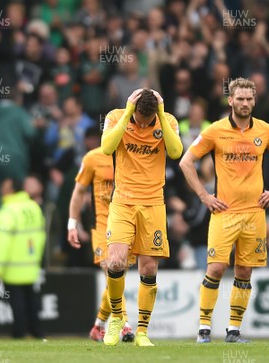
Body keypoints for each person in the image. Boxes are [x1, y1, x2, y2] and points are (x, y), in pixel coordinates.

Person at [179, 78, 269, 343]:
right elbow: (186, 162)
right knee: (216, 268)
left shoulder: (265, 131)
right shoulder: (215, 131)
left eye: (249, 99)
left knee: (244, 271)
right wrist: (205, 196)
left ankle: (233, 330)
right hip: (224, 212)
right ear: (230, 100)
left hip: (254, 213)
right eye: (239, 98)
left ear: (255, 100)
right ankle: (204, 327)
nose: (244, 103)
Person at [100, 88, 183, 347]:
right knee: (115, 261)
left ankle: (143, 332)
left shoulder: (167, 120)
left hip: (153, 203)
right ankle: (116, 317)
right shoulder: (116, 117)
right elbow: (106, 148)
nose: (144, 125)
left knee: (149, 268)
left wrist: (159, 112)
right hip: (123, 200)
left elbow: (176, 152)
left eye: (149, 121)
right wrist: (127, 115)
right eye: (140, 119)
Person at [67, 127, 134, 342]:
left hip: (125, 225)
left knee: (116, 278)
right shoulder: (92, 159)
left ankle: (98, 326)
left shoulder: (132, 156)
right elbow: (78, 192)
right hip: (102, 227)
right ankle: (124, 324)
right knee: (111, 270)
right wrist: (72, 224)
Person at [0, 177, 46, 339]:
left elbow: (2, 243)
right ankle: (37, 332)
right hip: (31, 264)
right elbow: (41, 237)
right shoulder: (34, 207)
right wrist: (36, 258)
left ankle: (19, 333)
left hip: (13, 267)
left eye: (4, 186)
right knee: (32, 300)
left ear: (11, 190)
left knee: (17, 302)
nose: (1, 189)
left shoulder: (7, 211)